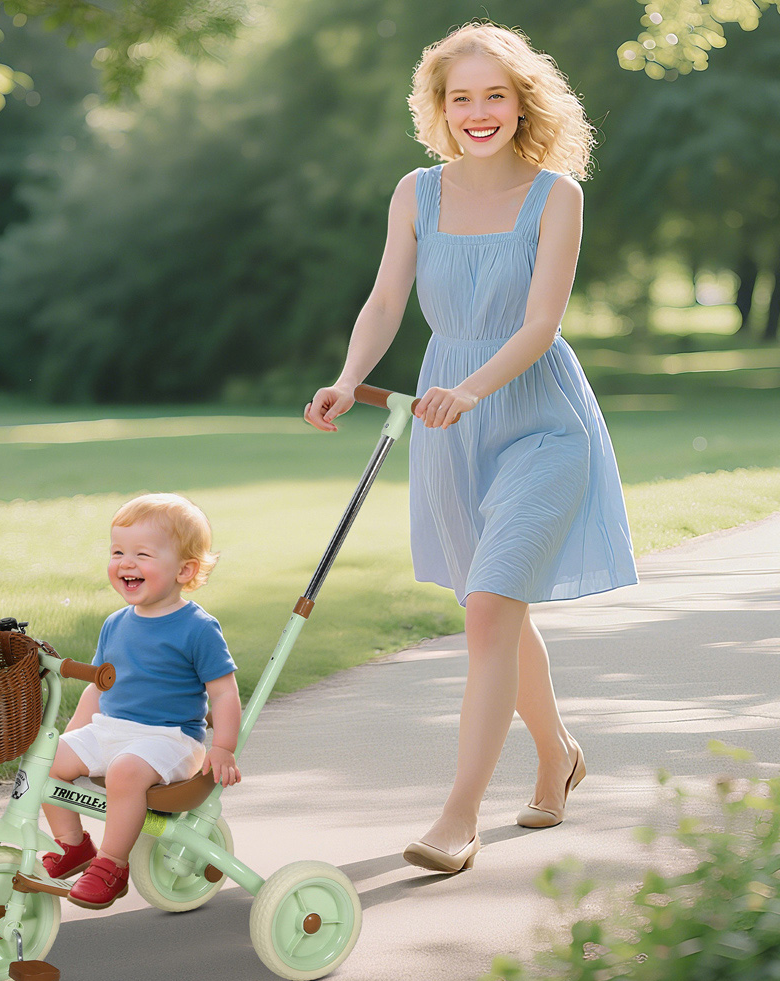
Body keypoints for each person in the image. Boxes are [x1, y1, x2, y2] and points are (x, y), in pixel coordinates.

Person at [304, 21, 637, 874]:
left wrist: (475, 388)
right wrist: (348, 377)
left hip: (537, 418)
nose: (479, 112)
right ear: (440, 108)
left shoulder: (556, 194)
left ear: (523, 102)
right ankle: (557, 752)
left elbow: (541, 323)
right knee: (493, 609)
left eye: (496, 95)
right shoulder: (416, 192)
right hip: (448, 423)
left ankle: (458, 819)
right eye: (463, 98)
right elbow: (384, 301)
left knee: (492, 605)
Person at [41, 492, 242, 908]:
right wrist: (74, 736)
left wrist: (222, 746)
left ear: (184, 569)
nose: (125, 563)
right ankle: (74, 847)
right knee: (45, 757)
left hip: (169, 741)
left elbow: (223, 692)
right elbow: (99, 686)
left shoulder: (198, 628)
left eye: (142, 554)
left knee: (125, 771)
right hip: (112, 731)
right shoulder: (115, 623)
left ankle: (112, 865)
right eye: (117, 551)